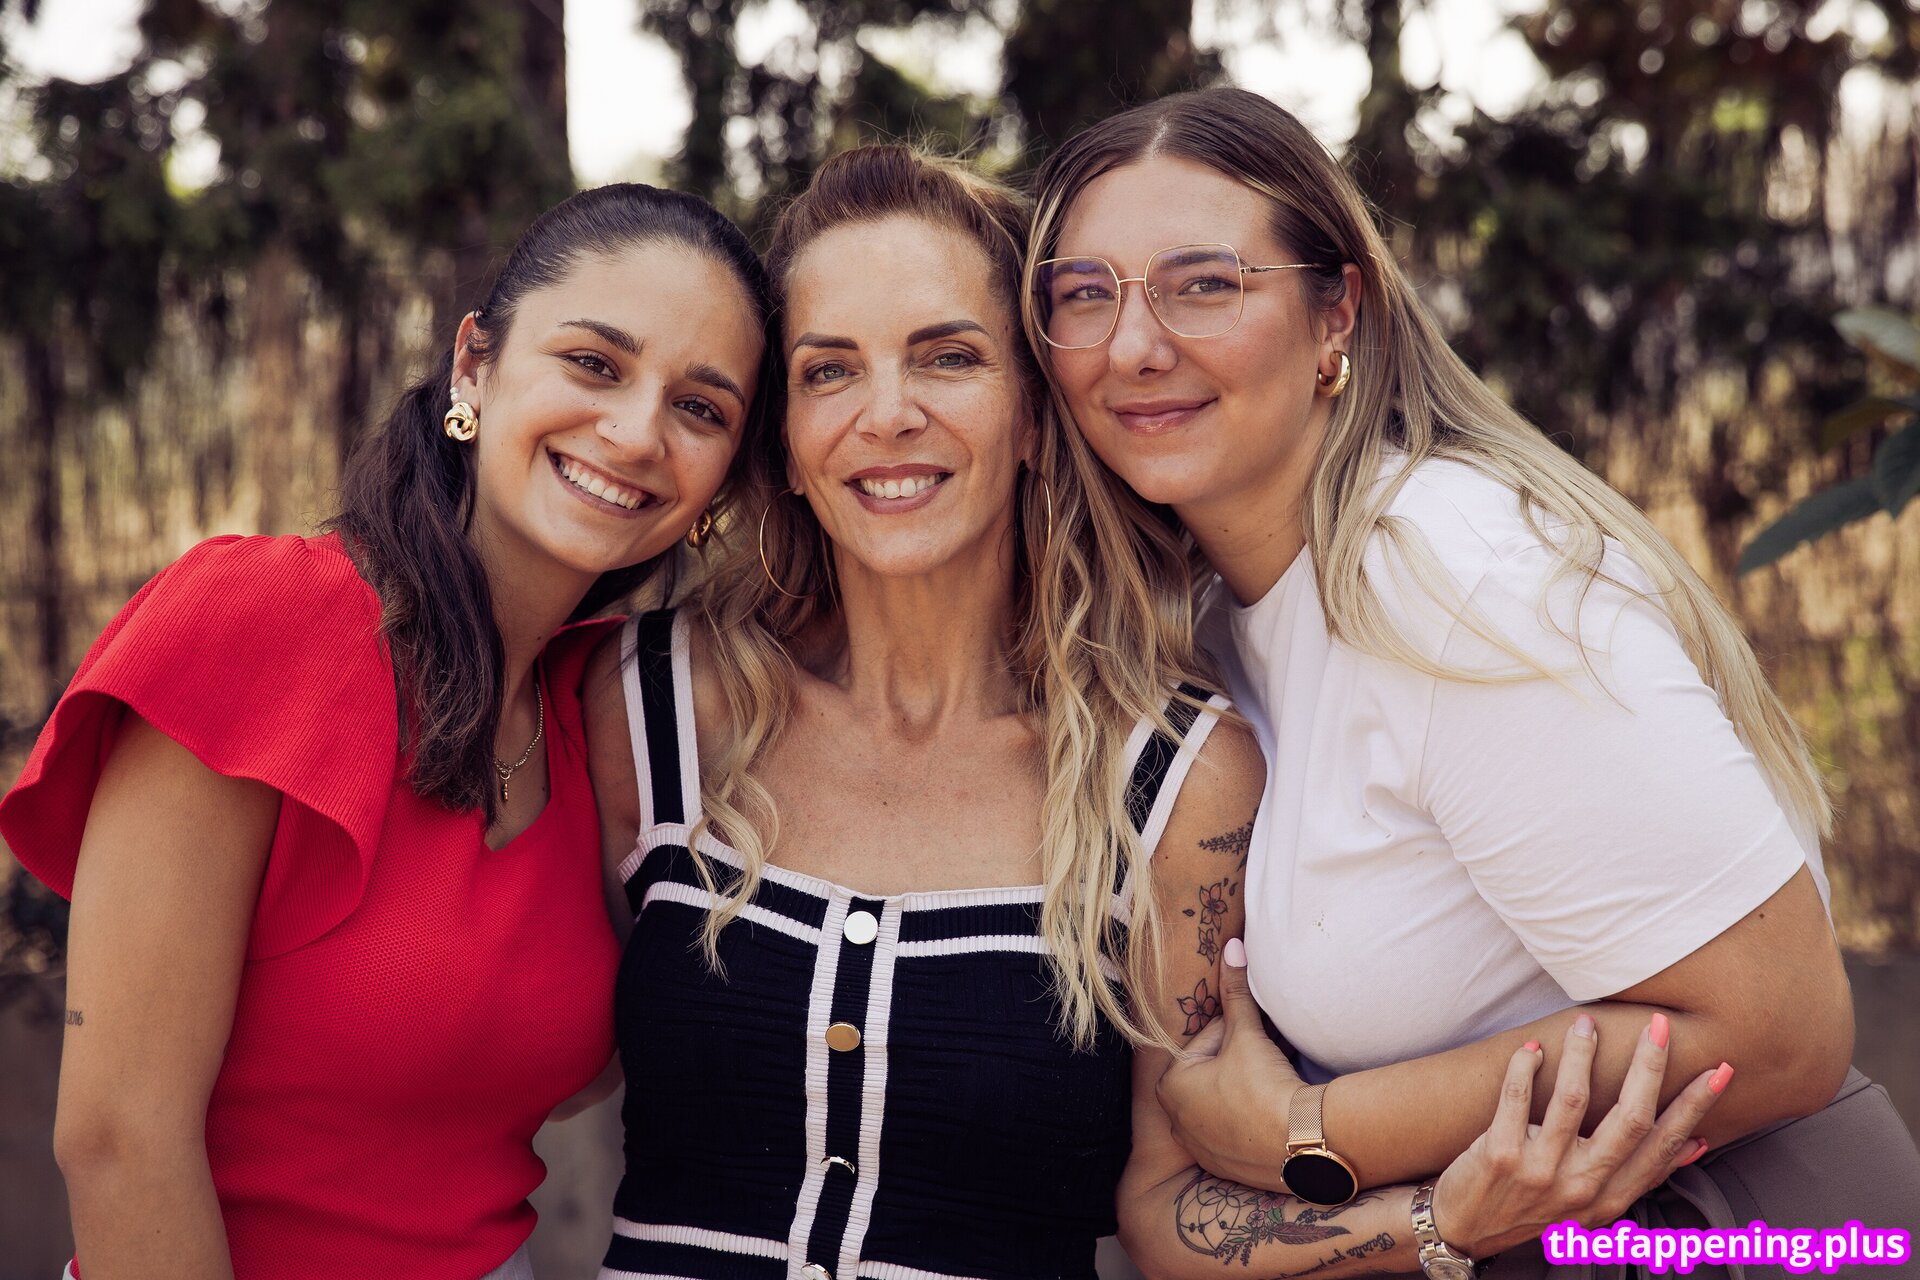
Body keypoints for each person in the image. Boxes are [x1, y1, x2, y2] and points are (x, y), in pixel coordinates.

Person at [583, 144, 1723, 1280]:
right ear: (784, 440)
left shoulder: (1173, 774)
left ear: (1037, 419)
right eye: (829, 371)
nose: (887, 415)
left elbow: (1168, 1206)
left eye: (949, 357)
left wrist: (1437, 1221)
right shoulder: (653, 707)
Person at [1023, 85, 1920, 1271]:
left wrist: (1304, 1131)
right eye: (1085, 294)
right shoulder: (1215, 625)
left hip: (1730, 1227)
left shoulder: (1448, 572)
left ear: (1337, 313)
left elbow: (1779, 1028)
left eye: (1205, 284)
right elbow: (1170, 1215)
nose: (1134, 345)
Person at [0, 183, 774, 1280]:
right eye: (594, 363)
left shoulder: (602, 710)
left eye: (700, 408)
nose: (638, 431)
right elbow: (119, 1139)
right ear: (473, 367)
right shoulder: (258, 621)